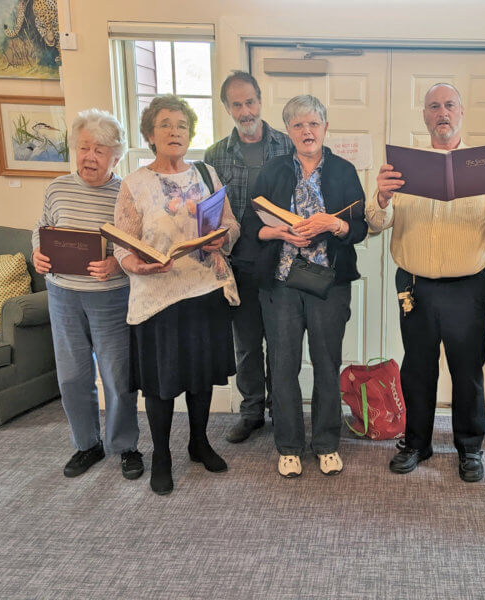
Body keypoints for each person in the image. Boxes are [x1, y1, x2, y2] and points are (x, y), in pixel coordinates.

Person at [365, 83, 485, 482]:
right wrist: (382, 197)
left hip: (467, 287)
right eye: (434, 106)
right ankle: (417, 443)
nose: (442, 112)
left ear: (462, 113)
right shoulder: (403, 167)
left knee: (467, 371)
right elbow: (376, 225)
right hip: (415, 287)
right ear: (424, 115)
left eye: (450, 105)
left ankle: (470, 447)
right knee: (418, 370)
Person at [114, 95, 241, 495]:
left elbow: (230, 223)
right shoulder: (135, 184)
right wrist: (135, 265)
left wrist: (223, 238)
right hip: (157, 297)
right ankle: (162, 456)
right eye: (165, 125)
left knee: (201, 378)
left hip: (204, 289)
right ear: (150, 134)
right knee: (161, 383)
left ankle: (199, 442)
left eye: (182, 125)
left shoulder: (206, 173)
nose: (174, 132)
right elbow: (121, 243)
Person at [246, 94, 367, 478]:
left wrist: (335, 225)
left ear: (325, 128)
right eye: (298, 125)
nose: (307, 131)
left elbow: (360, 227)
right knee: (282, 365)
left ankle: (327, 443)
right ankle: (289, 445)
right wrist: (279, 231)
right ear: (288, 131)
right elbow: (252, 229)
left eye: (313, 124)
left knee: (327, 364)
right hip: (281, 284)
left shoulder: (345, 171)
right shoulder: (272, 171)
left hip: (329, 283)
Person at [32, 109, 143, 480]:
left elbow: (134, 246)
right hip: (62, 295)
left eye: (99, 150)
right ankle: (86, 444)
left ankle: (125, 445)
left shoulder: (125, 193)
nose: (89, 157)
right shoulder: (57, 188)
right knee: (72, 376)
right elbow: (41, 229)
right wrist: (38, 253)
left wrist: (115, 264)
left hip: (110, 297)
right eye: (83, 148)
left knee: (117, 377)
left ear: (116, 156)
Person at [205, 71, 293, 444]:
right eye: (237, 104)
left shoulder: (288, 146)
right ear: (227, 108)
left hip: (283, 261)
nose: (245, 111)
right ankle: (252, 410)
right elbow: (208, 212)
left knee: (282, 340)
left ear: (261, 101)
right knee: (246, 343)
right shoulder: (214, 155)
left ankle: (283, 410)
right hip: (238, 264)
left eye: (250, 101)